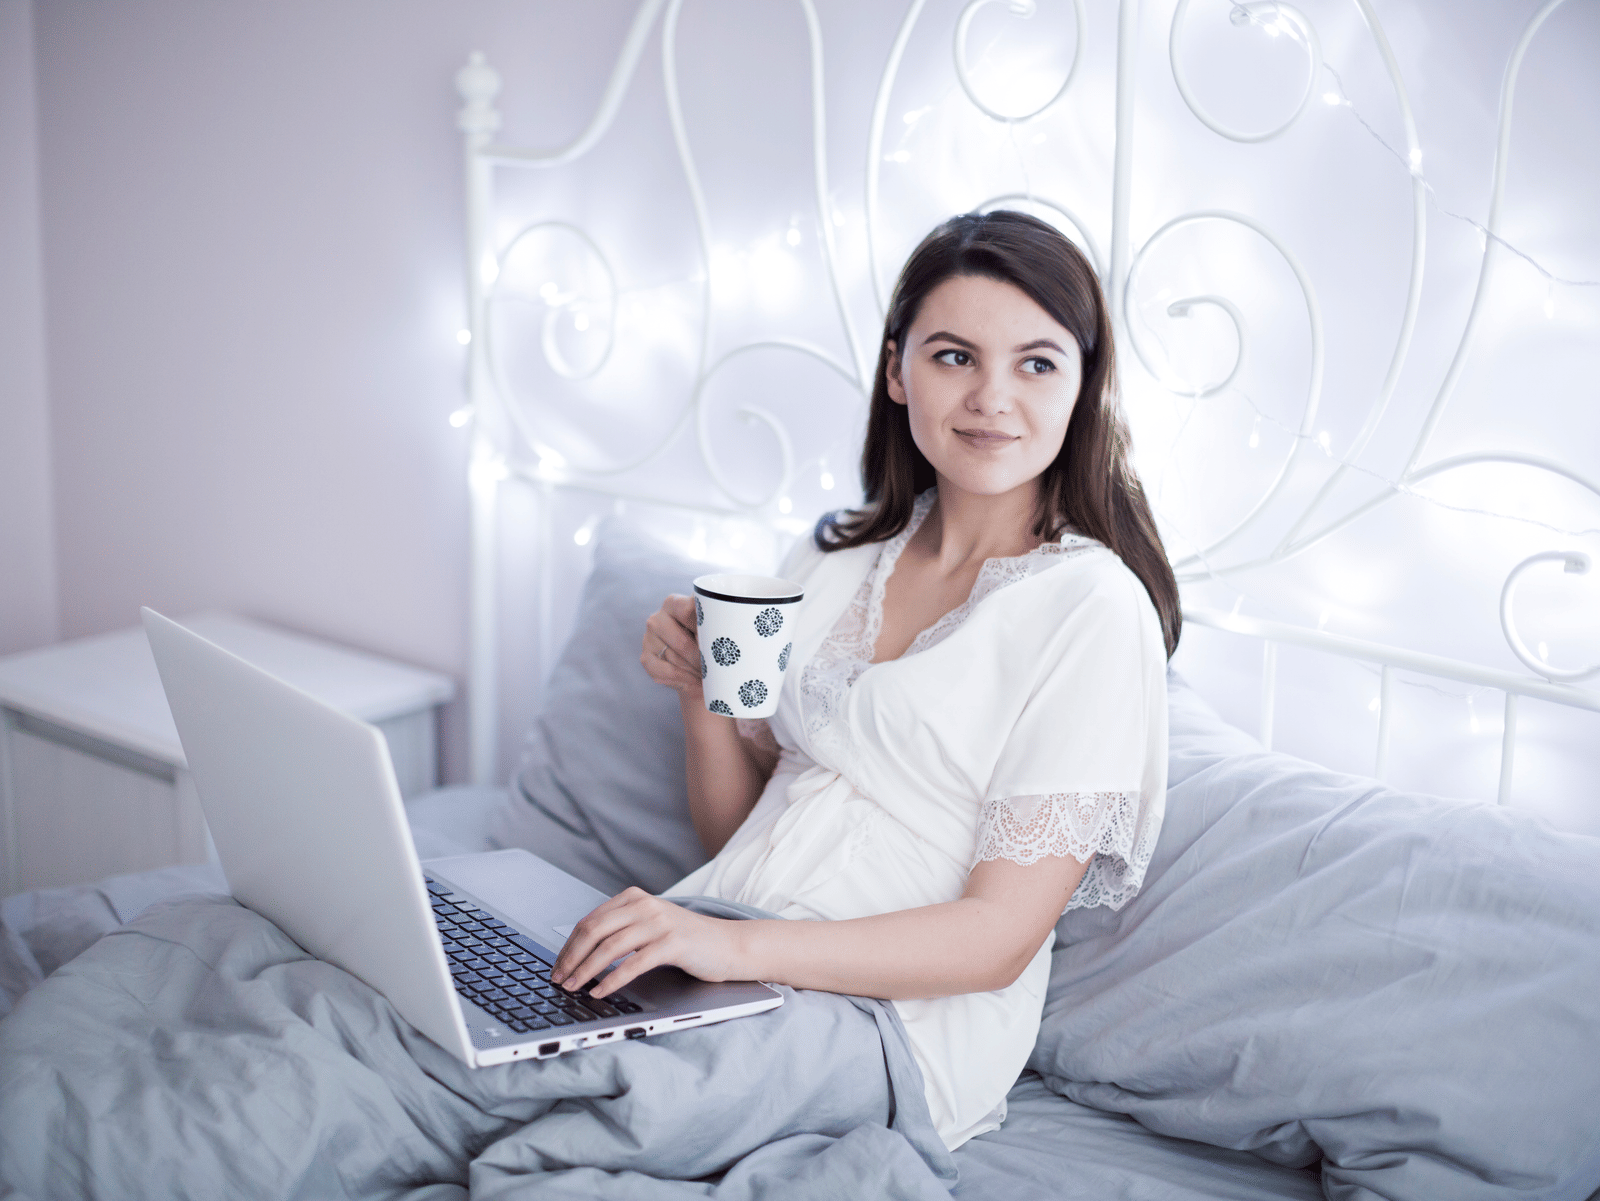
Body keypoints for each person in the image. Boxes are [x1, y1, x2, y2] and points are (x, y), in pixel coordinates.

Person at [551, 210, 1180, 1149]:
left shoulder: (1091, 606)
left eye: (1037, 363)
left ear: (1084, 388)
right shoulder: (836, 561)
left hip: (895, 1026)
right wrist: (701, 697)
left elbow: (997, 936)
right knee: (456, 1032)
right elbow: (742, 832)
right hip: (725, 950)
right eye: (954, 356)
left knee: (571, 1117)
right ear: (898, 370)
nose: (991, 398)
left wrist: (731, 945)